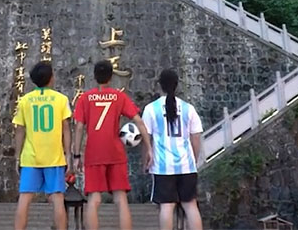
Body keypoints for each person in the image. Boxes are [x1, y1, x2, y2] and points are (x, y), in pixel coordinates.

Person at [72, 60, 152, 230]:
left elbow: (79, 127)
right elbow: (139, 121)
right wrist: (149, 147)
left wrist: (76, 155)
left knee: (94, 199)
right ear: (111, 76)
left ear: (94, 76)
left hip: (94, 153)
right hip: (115, 152)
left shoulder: (85, 98)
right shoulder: (119, 96)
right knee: (121, 199)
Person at [13, 61, 73, 230]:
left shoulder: (25, 100)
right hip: (54, 157)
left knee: (24, 199)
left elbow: (19, 130)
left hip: (30, 157)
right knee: (57, 199)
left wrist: (18, 156)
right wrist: (68, 154)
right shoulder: (61, 99)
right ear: (50, 78)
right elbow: (66, 129)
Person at [142, 69, 204, 230]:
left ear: (159, 85)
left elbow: (146, 139)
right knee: (191, 206)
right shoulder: (188, 108)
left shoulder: (151, 109)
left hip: (163, 167)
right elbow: (196, 137)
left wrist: (146, 161)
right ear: (177, 85)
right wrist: (194, 159)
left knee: (166, 206)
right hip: (187, 165)